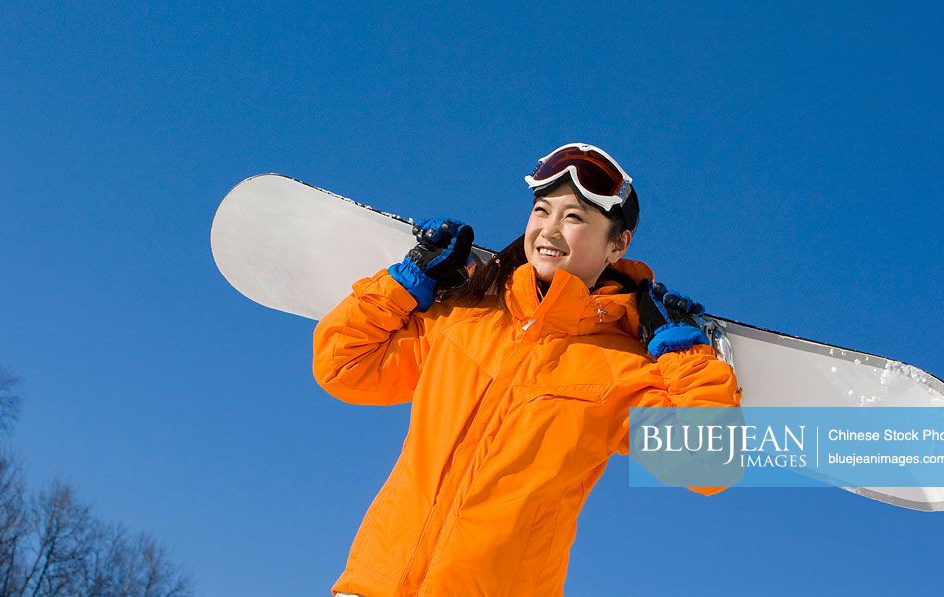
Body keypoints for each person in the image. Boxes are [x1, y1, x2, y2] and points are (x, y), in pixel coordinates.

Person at [313, 143, 741, 596]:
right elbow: (343, 365)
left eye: (574, 217)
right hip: (374, 584)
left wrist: (683, 352)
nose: (550, 230)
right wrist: (406, 281)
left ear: (618, 243)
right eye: (542, 210)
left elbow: (709, 464)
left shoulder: (622, 370)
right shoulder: (468, 317)